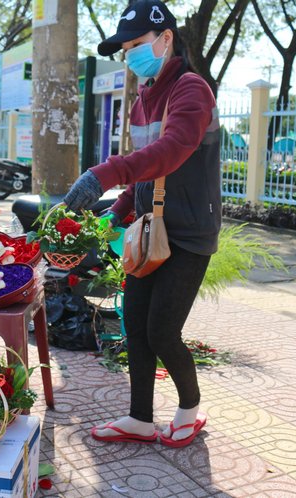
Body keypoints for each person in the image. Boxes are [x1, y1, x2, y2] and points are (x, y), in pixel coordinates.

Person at [64, 0, 220, 448]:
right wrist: (114, 213)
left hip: (189, 233)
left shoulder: (191, 91)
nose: (131, 54)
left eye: (137, 44)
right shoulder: (143, 99)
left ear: (166, 39)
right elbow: (148, 170)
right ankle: (139, 419)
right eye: (125, 48)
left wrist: (105, 174)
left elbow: (171, 152)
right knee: (134, 322)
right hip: (150, 228)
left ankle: (190, 410)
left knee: (163, 331)